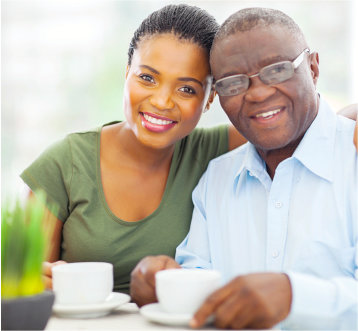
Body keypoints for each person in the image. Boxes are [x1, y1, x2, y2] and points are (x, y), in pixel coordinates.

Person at [130, 7, 357, 330]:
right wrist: (162, 286)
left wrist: (294, 297)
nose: (259, 93)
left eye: (277, 70)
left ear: (314, 67)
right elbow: (199, 284)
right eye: (233, 83)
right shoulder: (217, 179)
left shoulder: (353, 157)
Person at [20, 4, 247, 294]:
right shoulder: (64, 164)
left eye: (187, 89)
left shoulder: (217, 149)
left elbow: (294, 122)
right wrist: (34, 281)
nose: (162, 102)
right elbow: (18, 283)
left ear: (211, 98)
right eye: (147, 78)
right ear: (127, 73)